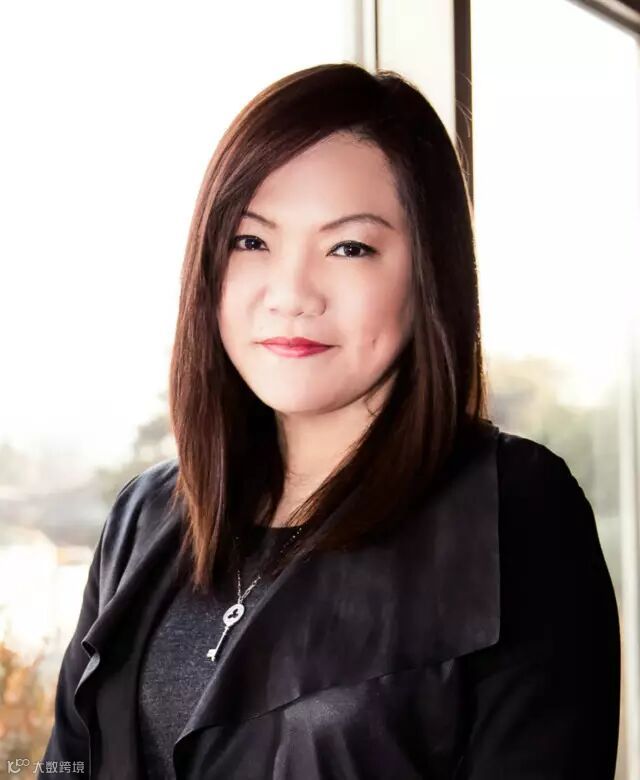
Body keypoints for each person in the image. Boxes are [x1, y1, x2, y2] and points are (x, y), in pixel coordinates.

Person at [39, 63, 621, 779]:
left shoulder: (512, 511)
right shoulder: (145, 516)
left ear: (429, 273)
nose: (290, 294)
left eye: (350, 247)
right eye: (252, 242)